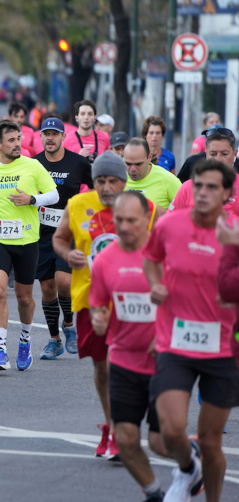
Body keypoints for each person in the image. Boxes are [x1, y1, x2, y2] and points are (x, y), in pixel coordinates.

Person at [53, 151, 158, 460]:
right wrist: (66, 254)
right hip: (90, 296)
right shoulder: (77, 205)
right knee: (102, 367)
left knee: (121, 365)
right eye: (101, 180)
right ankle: (112, 425)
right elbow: (60, 239)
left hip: (133, 299)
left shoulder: (146, 208)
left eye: (113, 180)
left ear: (124, 182)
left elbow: (163, 243)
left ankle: (123, 428)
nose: (107, 187)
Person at [145, 160, 239, 502]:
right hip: (175, 341)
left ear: (227, 193)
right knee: (170, 432)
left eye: (212, 187)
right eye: (198, 185)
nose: (202, 192)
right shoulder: (170, 225)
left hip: (222, 347)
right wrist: (155, 284)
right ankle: (188, 468)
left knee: (212, 440)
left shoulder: (235, 232)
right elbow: (151, 258)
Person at [89, 191, 169, 502]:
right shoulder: (106, 258)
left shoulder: (164, 253)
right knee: (125, 438)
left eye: (131, 221)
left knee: (164, 442)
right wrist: (99, 318)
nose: (123, 227)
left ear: (147, 218)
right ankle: (153, 493)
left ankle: (190, 462)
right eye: (118, 220)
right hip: (122, 357)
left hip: (163, 360)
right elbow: (98, 303)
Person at [0, 120, 58, 371]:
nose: (17, 144)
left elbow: (54, 195)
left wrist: (32, 199)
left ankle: (25, 340)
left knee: (24, 298)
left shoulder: (33, 165)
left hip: (27, 241)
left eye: (18, 138)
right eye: (11, 140)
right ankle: (1, 350)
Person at [32, 117, 93, 360]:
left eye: (54, 134)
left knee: (64, 282)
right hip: (40, 232)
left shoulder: (78, 162)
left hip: (68, 231)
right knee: (47, 288)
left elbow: (95, 188)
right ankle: (54, 340)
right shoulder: (33, 163)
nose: (50, 137)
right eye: (46, 133)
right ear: (41, 137)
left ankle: (69, 324)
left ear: (62, 137)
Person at [170, 127, 237, 213]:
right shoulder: (187, 188)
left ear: (235, 154)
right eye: (213, 154)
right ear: (206, 155)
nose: (218, 159)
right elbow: (170, 221)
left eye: (224, 154)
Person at [123, 138, 181, 210]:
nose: (133, 169)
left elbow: (186, 213)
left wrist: (161, 214)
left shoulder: (167, 179)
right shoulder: (116, 179)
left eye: (138, 164)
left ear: (149, 157)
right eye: (128, 164)